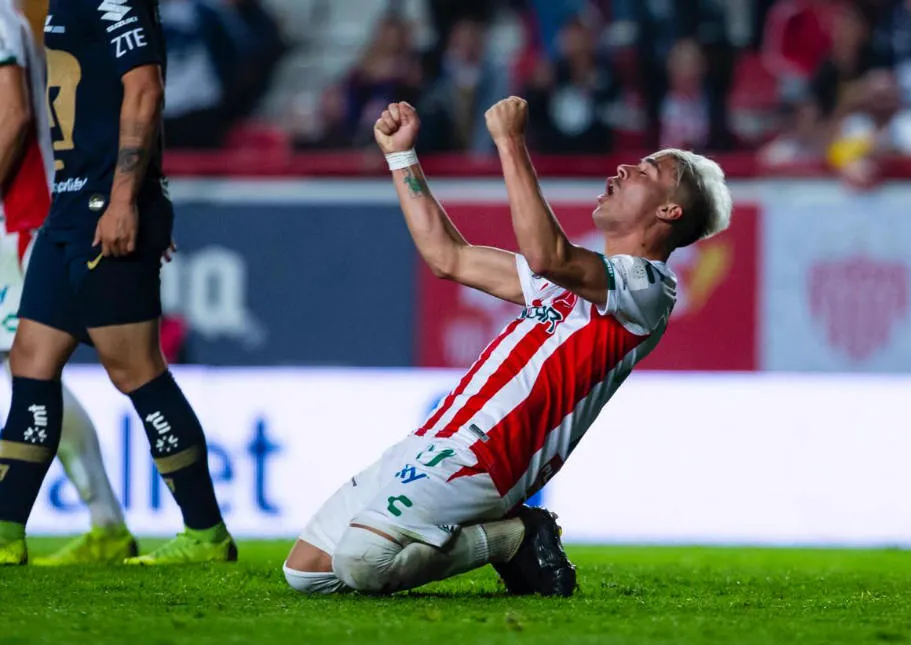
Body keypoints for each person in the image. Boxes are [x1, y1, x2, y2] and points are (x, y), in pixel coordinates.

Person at [282, 97, 732, 596]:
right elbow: (448, 257)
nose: (625, 167)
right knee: (308, 573)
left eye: (646, 171)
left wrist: (511, 141)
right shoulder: (568, 277)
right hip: (434, 439)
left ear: (670, 211)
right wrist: (401, 156)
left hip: (490, 456)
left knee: (363, 562)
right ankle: (503, 535)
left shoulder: (649, 288)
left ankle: (509, 539)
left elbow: (546, 254)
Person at [0, 0, 235, 566]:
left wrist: (131, 200)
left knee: (137, 372)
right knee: (31, 362)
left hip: (104, 206)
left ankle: (205, 533)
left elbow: (146, 89)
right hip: (69, 208)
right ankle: (6, 533)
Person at [0, 0, 140, 566]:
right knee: (27, 367)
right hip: (22, 214)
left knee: (30, 364)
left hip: (20, 216)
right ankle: (105, 520)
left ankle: (102, 520)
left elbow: (12, 116)